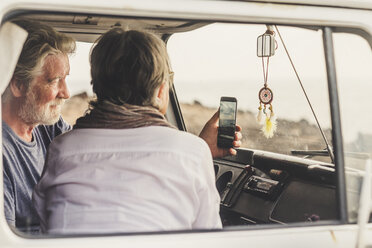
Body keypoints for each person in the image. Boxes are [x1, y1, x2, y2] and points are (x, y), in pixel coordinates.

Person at [33, 28, 240, 234]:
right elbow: (208, 236)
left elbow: (46, 222)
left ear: (98, 86)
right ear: (160, 91)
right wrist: (199, 149)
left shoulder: (62, 147)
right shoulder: (193, 152)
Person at [2, 19, 75, 232]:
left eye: (66, 79)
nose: (66, 93)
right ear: (18, 85)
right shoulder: (3, 153)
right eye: (54, 81)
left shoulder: (48, 126)